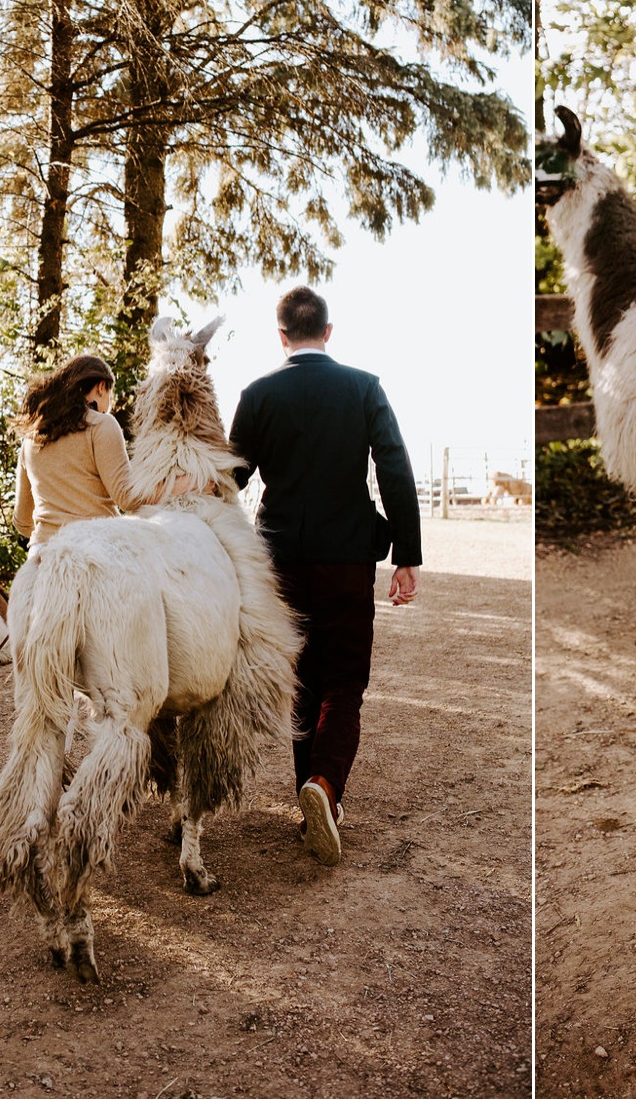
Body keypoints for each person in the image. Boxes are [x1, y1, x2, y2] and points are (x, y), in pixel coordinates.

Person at [229, 286, 422, 867]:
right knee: (343, 684)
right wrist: (407, 554)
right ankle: (325, 790)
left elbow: (229, 480)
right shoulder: (362, 387)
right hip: (345, 561)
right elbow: (394, 465)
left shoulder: (258, 394)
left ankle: (308, 795)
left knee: (303, 682)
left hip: (281, 561)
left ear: (281, 336)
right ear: (329, 332)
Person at [11, 353, 196, 556]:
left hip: (41, 551)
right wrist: (191, 483)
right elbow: (127, 498)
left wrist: (50, 529)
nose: (110, 403)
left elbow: (22, 522)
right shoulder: (100, 424)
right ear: (101, 387)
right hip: (96, 548)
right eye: (110, 394)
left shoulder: (31, 439)